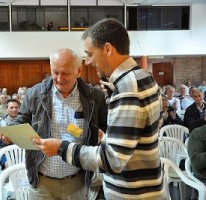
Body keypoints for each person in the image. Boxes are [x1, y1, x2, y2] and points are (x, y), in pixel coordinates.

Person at [32, 18, 167, 199]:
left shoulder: (128, 88)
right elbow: (139, 135)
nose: (88, 62)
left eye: (90, 54)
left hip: (133, 193)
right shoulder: (142, 76)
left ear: (108, 49)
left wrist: (61, 148)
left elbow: (111, 159)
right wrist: (109, 137)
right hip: (144, 186)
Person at [0, 48, 108, 199]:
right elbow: (20, 121)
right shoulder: (35, 94)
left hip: (77, 183)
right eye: (55, 72)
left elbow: (105, 127)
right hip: (42, 183)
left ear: (79, 71)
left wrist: (102, 136)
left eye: (65, 73)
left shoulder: (95, 97)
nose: (59, 78)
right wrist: (8, 132)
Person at [0, 99, 20, 169]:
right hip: (6, 150)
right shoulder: (2, 123)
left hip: (21, 150)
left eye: (16, 107)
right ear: (7, 109)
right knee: (9, 165)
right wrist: (5, 140)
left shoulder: (23, 121)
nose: (14, 109)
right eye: (11, 108)